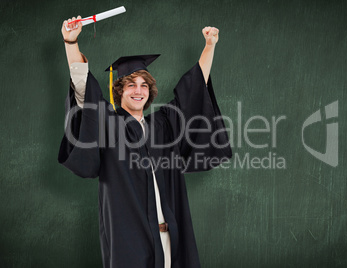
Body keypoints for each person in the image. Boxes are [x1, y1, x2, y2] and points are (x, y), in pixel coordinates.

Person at [59, 16, 232, 268]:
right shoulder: (109, 124)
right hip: (131, 244)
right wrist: (70, 42)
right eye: (130, 85)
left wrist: (209, 46)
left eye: (143, 85)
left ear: (150, 91)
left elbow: (193, 90)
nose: (138, 90)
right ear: (119, 91)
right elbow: (85, 91)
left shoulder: (162, 125)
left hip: (170, 238)